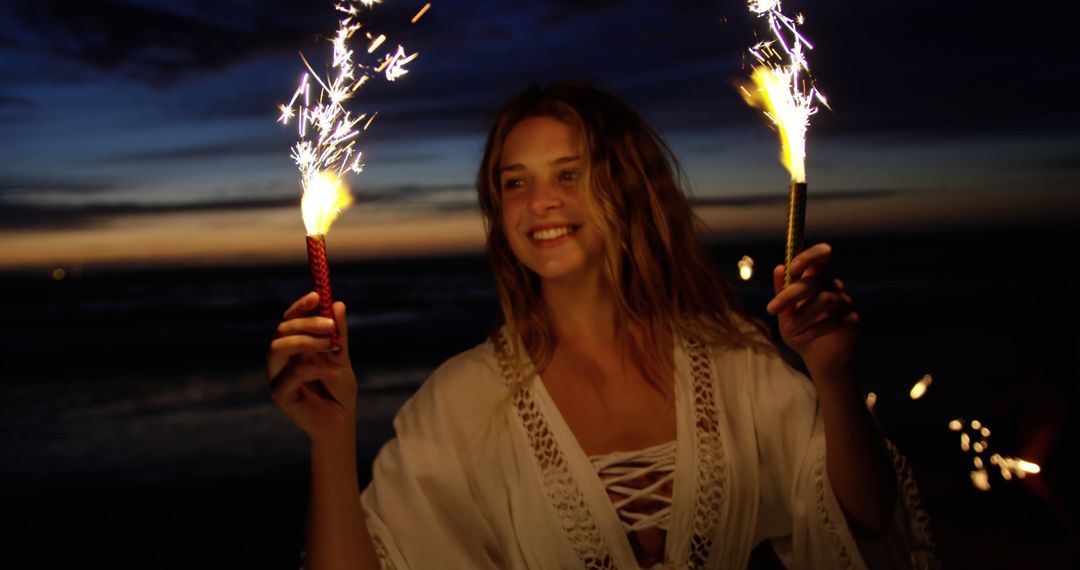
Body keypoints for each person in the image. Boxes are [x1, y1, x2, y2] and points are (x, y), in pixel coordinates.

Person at [267, 82, 935, 569]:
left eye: (569, 173)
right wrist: (330, 439)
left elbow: (863, 526)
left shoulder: (735, 362)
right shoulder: (459, 404)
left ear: (628, 187)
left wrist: (831, 374)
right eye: (514, 183)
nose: (541, 203)